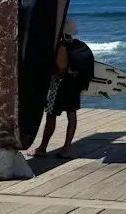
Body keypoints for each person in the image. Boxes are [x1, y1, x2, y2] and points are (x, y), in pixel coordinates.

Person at [29, 16, 94, 159]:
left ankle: (43, 148)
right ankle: (66, 149)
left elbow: (62, 69)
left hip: (59, 86)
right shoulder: (77, 45)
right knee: (71, 116)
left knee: (51, 116)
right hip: (74, 85)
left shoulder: (62, 46)